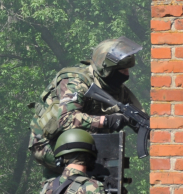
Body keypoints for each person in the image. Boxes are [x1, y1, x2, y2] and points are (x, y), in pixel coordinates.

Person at [28, 37, 144, 175]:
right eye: (122, 70)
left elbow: (140, 117)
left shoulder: (116, 89)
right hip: (49, 144)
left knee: (112, 170)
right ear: (107, 68)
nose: (127, 74)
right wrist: (107, 121)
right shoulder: (76, 81)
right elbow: (66, 119)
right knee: (88, 167)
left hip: (83, 142)